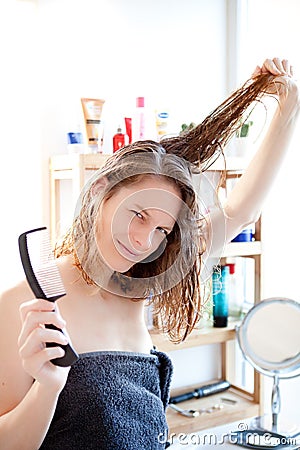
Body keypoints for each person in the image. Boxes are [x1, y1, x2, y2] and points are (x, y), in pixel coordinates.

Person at [0, 58, 299, 450]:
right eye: (137, 214)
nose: (143, 242)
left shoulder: (139, 287)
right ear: (99, 190)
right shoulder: (26, 304)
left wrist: (289, 106)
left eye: (161, 228)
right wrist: (47, 390)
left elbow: (239, 212)